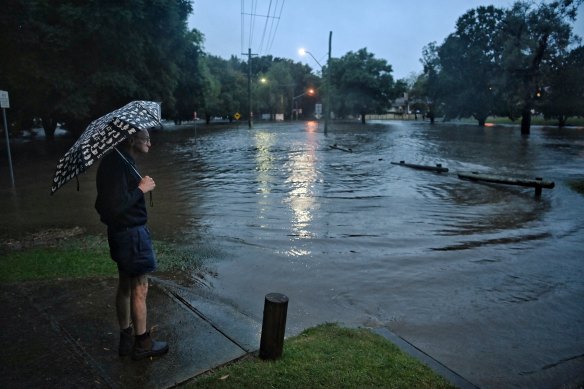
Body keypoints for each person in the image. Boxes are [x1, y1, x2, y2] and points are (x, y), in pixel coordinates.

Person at [95, 129, 169, 360]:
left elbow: (102, 205)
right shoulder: (117, 164)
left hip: (121, 234)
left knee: (126, 286)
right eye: (146, 138)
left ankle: (126, 339)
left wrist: (136, 188)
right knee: (140, 288)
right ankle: (143, 343)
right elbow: (113, 207)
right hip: (131, 236)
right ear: (131, 139)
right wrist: (141, 189)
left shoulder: (116, 160)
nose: (150, 143)